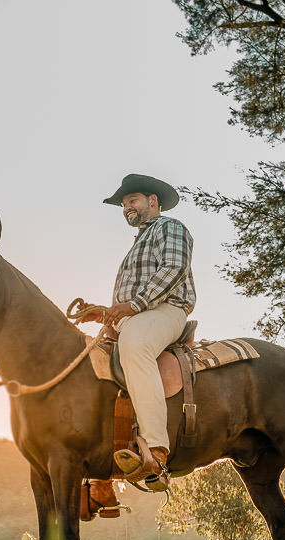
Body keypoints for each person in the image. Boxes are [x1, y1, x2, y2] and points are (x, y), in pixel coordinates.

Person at [85, 174, 196, 496]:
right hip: (136, 315)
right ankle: (99, 476)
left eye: (131, 200)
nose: (126, 208)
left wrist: (132, 305)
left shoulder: (170, 227)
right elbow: (129, 300)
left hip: (166, 310)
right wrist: (109, 315)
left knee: (135, 348)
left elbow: (174, 268)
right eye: (123, 204)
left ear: (152, 201)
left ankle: (157, 452)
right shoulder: (138, 243)